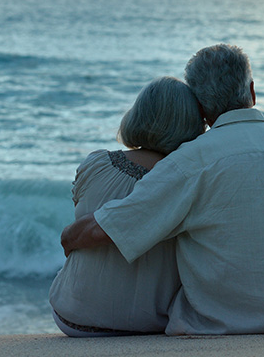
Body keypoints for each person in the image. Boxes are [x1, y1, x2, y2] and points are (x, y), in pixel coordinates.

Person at [61, 44, 264, 335]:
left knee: (178, 217)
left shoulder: (189, 162)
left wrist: (71, 236)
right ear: (251, 91)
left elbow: (119, 224)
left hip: (222, 324)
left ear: (199, 108)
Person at [49, 76, 205, 336]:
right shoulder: (187, 180)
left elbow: (80, 214)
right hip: (150, 324)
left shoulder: (97, 164)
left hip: (71, 316)